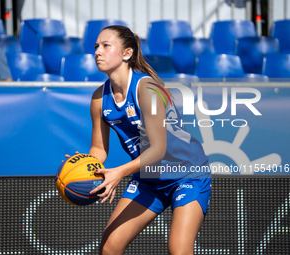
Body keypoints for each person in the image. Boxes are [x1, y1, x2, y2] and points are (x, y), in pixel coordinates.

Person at [69, 25, 211, 255]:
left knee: (179, 250)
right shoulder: (98, 98)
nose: (97, 51)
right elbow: (98, 150)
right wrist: (84, 165)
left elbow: (158, 149)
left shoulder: (147, 88)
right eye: (96, 46)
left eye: (106, 46)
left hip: (187, 174)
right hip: (149, 179)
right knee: (109, 246)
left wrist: (119, 173)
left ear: (127, 53)